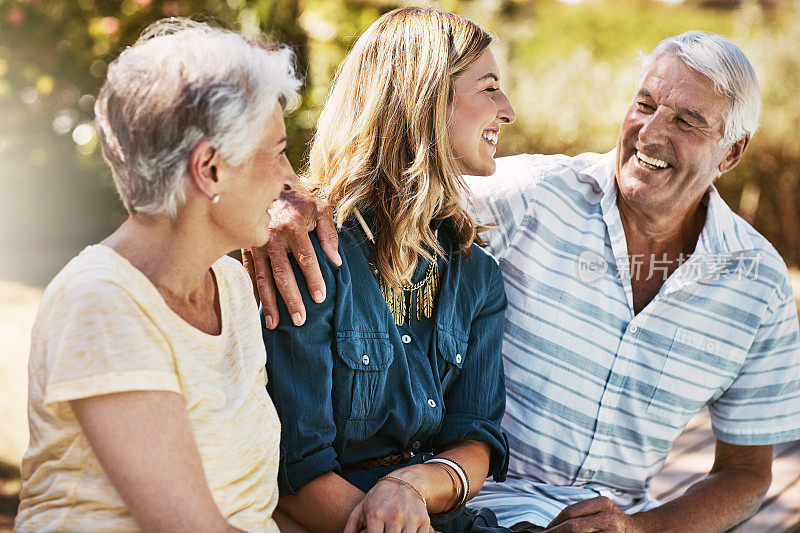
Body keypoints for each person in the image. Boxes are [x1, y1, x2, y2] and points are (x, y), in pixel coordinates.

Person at [250, 31, 800, 532]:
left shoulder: (759, 284)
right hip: (480, 503)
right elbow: (392, 190)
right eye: (645, 104)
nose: (651, 133)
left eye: (687, 121)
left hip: (603, 520)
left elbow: (747, 471)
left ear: (732, 152)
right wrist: (280, 199)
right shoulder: (529, 198)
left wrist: (643, 531)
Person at [16, 19, 301, 532]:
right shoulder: (100, 300)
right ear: (210, 168)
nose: (289, 177)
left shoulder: (232, 287)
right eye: (278, 152)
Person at [258, 7, 516, 533]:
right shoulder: (306, 251)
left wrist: (410, 487)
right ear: (425, 99)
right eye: (489, 87)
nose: (507, 109)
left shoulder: (477, 274)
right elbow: (296, 473)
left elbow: (477, 436)